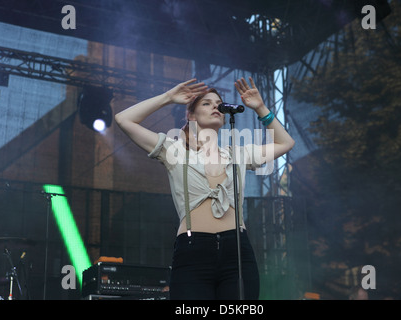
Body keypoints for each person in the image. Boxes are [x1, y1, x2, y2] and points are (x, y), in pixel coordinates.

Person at [115, 77, 295, 299]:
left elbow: (285, 143)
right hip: (193, 250)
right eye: (206, 103)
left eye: (218, 103)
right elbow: (123, 119)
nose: (215, 107)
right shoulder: (175, 152)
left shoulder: (238, 154)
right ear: (191, 115)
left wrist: (260, 107)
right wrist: (168, 98)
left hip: (236, 250)